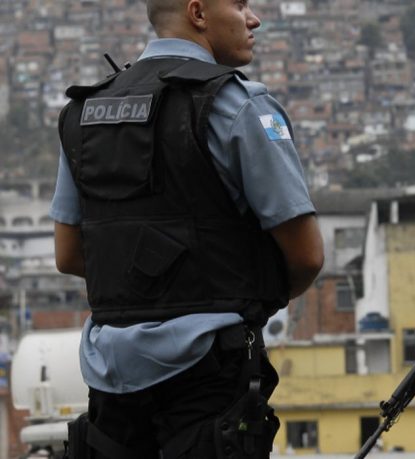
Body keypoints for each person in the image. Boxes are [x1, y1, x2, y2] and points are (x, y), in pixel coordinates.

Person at [51, 1, 324, 457]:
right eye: (238, 4)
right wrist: (238, 296)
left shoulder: (85, 111)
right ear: (197, 13)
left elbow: (70, 255)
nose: (252, 18)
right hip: (208, 379)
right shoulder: (238, 104)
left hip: (111, 387)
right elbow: (307, 256)